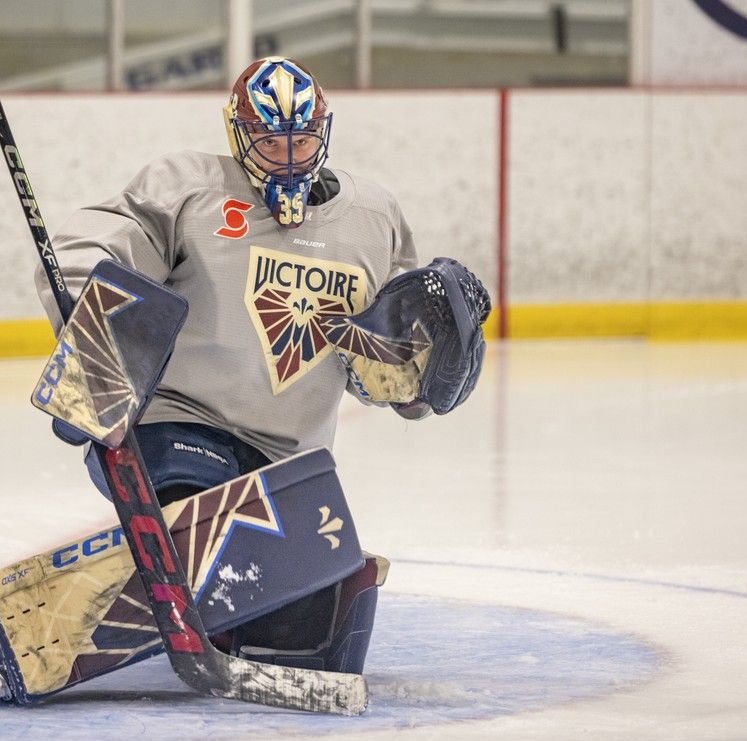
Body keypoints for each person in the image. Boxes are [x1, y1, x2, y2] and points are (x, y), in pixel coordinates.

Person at [36, 56, 490, 677]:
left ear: (324, 132)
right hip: (177, 426)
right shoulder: (186, 186)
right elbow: (95, 241)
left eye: (302, 140)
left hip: (291, 459)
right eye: (269, 141)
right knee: (201, 521)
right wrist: (94, 305)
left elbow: (389, 341)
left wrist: (413, 377)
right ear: (237, 132)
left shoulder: (374, 216)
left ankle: (239, 616)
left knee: (321, 631)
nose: (288, 156)